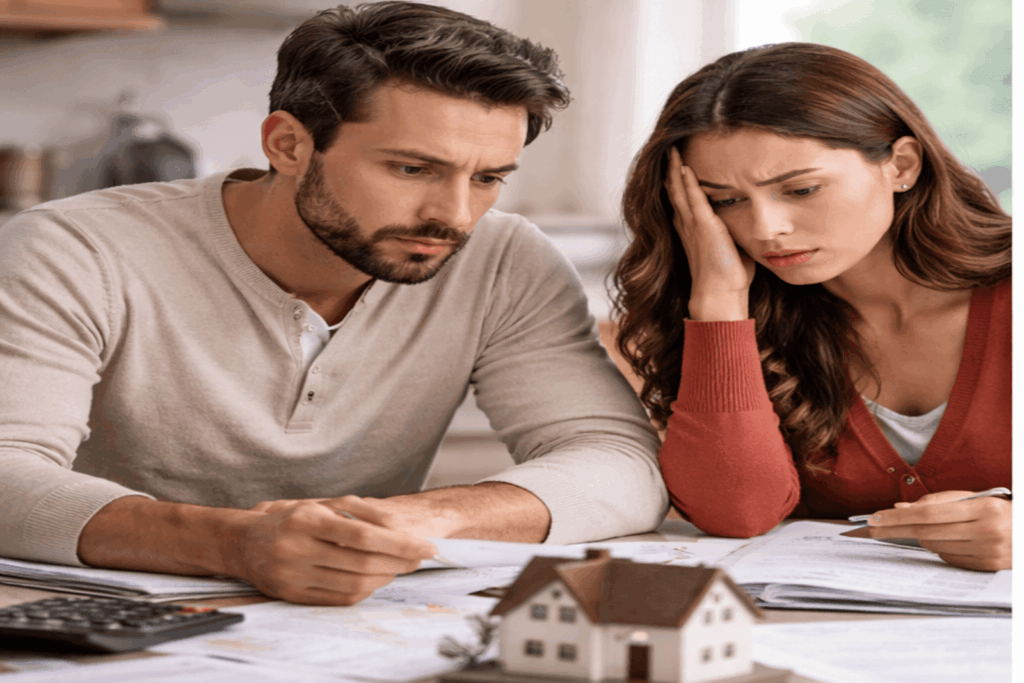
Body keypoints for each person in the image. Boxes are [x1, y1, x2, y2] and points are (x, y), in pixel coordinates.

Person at [0, 1, 666, 606]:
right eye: (412, 168)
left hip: (340, 627)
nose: (454, 216)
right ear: (288, 144)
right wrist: (230, 543)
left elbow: (620, 461)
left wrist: (427, 517)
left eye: (488, 177)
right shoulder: (74, 248)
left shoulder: (503, 260)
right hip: (78, 628)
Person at [613, 42, 1010, 571]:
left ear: (902, 166)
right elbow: (736, 513)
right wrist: (720, 303)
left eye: (800, 190)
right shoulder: (738, 319)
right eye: (725, 201)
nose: (765, 229)